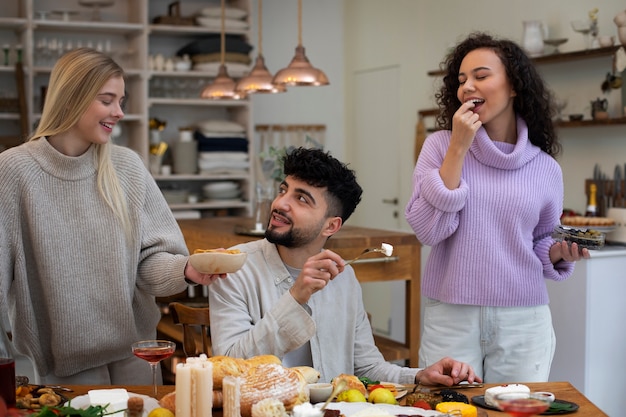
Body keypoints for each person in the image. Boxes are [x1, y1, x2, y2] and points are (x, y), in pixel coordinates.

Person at [0, 48, 224, 385]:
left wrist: (186, 269)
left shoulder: (127, 167)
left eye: (121, 101)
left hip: (136, 358)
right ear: (71, 98)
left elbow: (149, 262)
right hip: (59, 370)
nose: (119, 113)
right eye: (107, 100)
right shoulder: (15, 171)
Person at [209, 147, 480, 386]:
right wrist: (296, 298)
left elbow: (367, 367)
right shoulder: (235, 267)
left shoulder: (343, 277)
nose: (280, 204)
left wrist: (419, 376)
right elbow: (229, 368)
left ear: (331, 225)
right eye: (284, 190)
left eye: (301, 199)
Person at [404, 32, 589, 383]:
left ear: (514, 85)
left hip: (524, 320)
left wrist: (559, 252)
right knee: (448, 408)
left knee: (517, 409)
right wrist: (458, 147)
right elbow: (428, 230)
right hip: (451, 316)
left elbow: (539, 241)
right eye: (461, 80)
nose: (467, 87)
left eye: (481, 76)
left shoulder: (545, 167)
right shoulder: (439, 146)